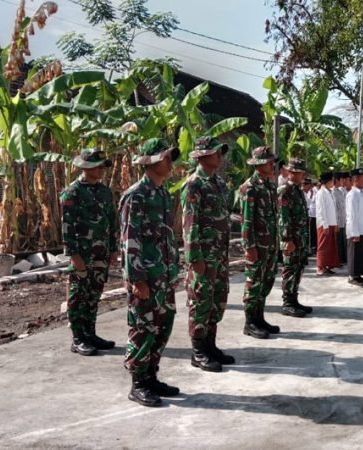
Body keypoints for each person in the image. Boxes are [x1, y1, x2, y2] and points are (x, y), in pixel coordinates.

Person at [119, 138, 181, 407]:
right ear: (152, 161)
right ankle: (138, 383)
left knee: (162, 326)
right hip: (145, 276)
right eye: (166, 158)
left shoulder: (163, 194)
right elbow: (129, 239)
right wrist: (137, 279)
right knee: (143, 328)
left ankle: (151, 376)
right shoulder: (136, 195)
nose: (170, 163)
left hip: (164, 275)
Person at [181, 137, 234, 374]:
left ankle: (210, 345)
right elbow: (189, 225)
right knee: (200, 302)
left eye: (220, 152)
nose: (219, 156)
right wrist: (195, 259)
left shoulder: (219, 183)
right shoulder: (194, 185)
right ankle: (198, 351)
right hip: (203, 257)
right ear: (202, 156)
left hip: (219, 254)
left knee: (217, 300)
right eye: (215, 153)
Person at [60, 148, 118, 357]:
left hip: (101, 253)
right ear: (86, 167)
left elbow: (111, 221)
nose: (102, 169)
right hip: (82, 255)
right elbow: (67, 227)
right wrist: (74, 256)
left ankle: (90, 334)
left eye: (103, 166)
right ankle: (78, 338)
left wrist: (113, 248)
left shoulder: (104, 191)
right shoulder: (72, 192)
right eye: (98, 166)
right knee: (78, 296)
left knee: (94, 295)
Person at [240, 146, 281, 339]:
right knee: (254, 283)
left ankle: (259, 318)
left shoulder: (269, 185)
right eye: (269, 161)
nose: (273, 164)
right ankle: (250, 323)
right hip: (257, 245)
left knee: (266, 281)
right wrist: (249, 247)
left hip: (270, 243)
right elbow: (246, 221)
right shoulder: (250, 187)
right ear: (259, 164)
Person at [277, 158, 312, 317]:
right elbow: (283, 218)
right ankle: (287, 303)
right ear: (290, 173)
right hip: (291, 240)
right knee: (290, 269)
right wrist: (287, 240)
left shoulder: (297, 190)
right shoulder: (285, 190)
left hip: (300, 239)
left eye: (302, 172)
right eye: (298, 173)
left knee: (298, 269)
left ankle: (294, 299)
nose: (301, 175)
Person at [346, 168, 363, 286]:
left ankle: (359, 275)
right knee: (354, 254)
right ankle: (353, 275)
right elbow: (352, 215)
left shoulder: (362, 194)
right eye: (362, 178)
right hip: (355, 230)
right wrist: (354, 232)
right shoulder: (352, 195)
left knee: (361, 254)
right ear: (355, 180)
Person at [333, 172, 348, 265]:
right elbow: (335, 209)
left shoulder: (339, 191)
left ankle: (342, 258)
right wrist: (336, 223)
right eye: (341, 180)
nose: (342, 181)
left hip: (343, 219)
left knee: (342, 241)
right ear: (337, 181)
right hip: (338, 221)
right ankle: (338, 259)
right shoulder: (333, 192)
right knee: (337, 242)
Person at [303, 178, 317, 255]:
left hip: (307, 216)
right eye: (308, 186)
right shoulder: (302, 193)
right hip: (305, 216)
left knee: (308, 234)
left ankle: (307, 250)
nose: (310, 188)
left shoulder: (306, 193)